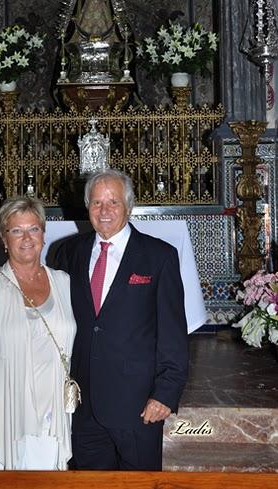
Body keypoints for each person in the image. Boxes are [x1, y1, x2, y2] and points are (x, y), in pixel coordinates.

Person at [54, 169, 188, 470]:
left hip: (138, 406)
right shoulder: (69, 252)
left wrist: (165, 394)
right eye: (96, 203)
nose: (104, 211)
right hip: (83, 406)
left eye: (113, 202)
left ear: (129, 206)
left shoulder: (159, 256)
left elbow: (173, 334)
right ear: (87, 207)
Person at [0, 196, 76, 470]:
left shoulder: (64, 283)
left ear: (43, 234)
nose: (27, 237)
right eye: (16, 230)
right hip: (4, 411)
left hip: (52, 411)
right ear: (3, 238)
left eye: (33, 228)